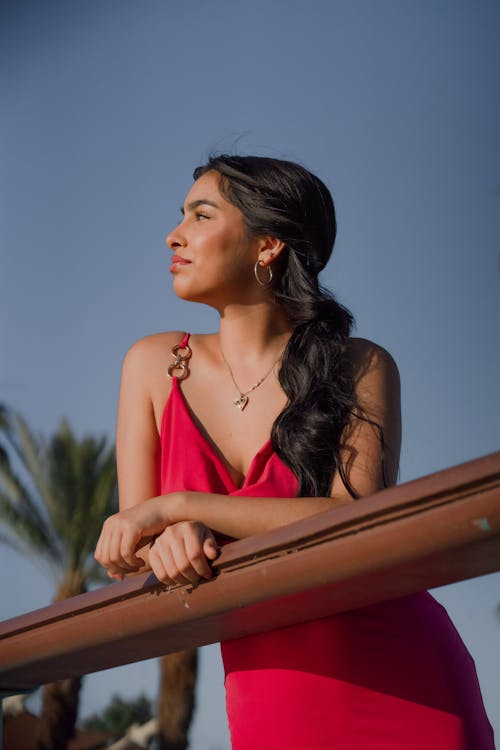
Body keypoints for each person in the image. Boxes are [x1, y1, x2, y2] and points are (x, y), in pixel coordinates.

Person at [95, 155, 494, 749]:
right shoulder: (153, 365)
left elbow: (353, 515)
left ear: (268, 245)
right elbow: (141, 539)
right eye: (180, 216)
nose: (173, 235)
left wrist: (178, 507)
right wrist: (157, 534)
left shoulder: (359, 364)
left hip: (404, 675)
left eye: (201, 215)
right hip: (271, 689)